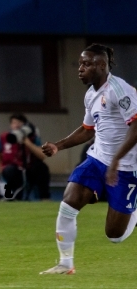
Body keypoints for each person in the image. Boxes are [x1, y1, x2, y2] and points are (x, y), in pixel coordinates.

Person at [40, 43, 137, 275]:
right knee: (68, 203)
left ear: (101, 65)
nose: (80, 68)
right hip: (97, 159)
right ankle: (65, 263)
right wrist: (58, 146)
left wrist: (116, 162)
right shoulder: (91, 94)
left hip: (125, 167)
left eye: (86, 63)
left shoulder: (120, 90)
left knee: (115, 236)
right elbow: (87, 130)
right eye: (80, 63)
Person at [0, 113, 51, 200]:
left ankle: (44, 197)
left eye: (19, 123)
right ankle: (17, 197)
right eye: (14, 123)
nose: (16, 126)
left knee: (41, 167)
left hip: (29, 168)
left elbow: (42, 156)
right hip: (13, 169)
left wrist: (27, 142)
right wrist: (0, 167)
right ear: (10, 125)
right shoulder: (4, 138)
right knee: (10, 171)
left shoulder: (33, 138)